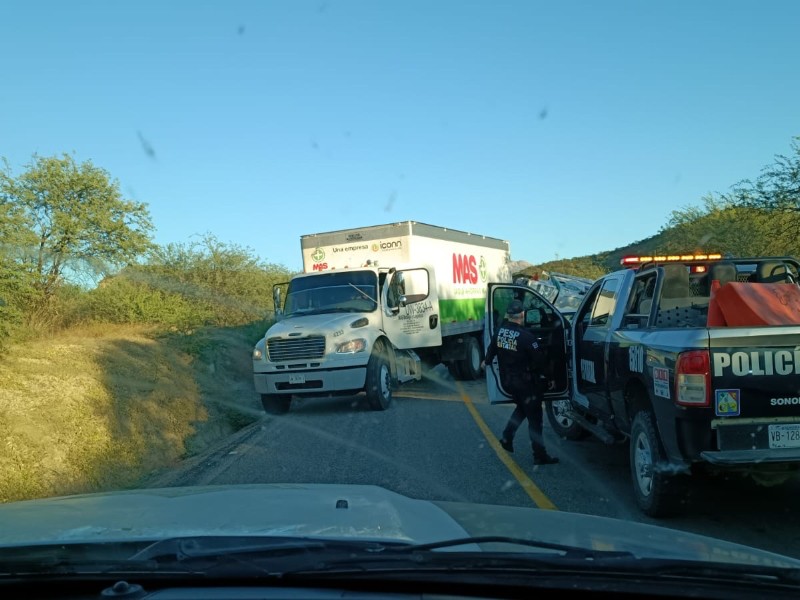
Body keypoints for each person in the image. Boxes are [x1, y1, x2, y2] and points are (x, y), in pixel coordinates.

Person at [480, 299, 559, 465]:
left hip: (508, 383)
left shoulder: (500, 332)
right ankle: (540, 455)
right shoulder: (527, 337)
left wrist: (486, 362)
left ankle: (507, 437)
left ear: (509, 315)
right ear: (522, 315)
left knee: (523, 409)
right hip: (526, 384)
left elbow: (491, 351)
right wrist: (550, 378)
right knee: (535, 420)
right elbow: (540, 361)